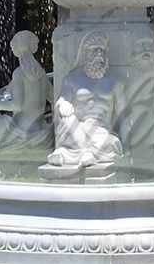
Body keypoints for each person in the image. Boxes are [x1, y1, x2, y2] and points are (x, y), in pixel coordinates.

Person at [48, 31, 124, 167]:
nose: (99, 54)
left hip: (100, 130)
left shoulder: (115, 83)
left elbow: (122, 114)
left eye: (102, 50)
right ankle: (86, 153)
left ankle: (67, 154)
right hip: (75, 127)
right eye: (94, 50)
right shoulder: (72, 78)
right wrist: (63, 104)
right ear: (84, 54)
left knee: (106, 140)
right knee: (66, 116)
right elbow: (62, 99)